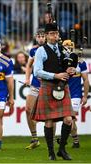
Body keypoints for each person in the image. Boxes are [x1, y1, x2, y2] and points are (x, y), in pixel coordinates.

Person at [33, 23, 75, 160]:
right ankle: (51, 152)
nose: (55, 36)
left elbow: (69, 65)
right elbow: (37, 71)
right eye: (52, 34)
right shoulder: (41, 51)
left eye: (56, 33)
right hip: (48, 85)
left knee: (68, 119)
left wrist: (72, 70)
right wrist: (55, 75)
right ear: (46, 36)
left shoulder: (63, 49)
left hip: (63, 86)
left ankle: (62, 149)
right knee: (49, 121)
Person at [63, 40, 89, 148]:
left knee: (70, 118)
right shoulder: (60, 61)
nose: (68, 49)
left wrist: (85, 96)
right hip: (62, 94)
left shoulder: (81, 62)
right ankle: (75, 140)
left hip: (75, 95)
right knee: (67, 119)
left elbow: (86, 80)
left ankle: (65, 140)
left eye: (70, 47)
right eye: (66, 47)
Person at [25, 28, 45, 149]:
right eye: (39, 36)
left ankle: (51, 141)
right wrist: (27, 78)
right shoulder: (33, 50)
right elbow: (28, 65)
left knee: (49, 115)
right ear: (36, 37)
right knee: (28, 109)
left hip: (48, 86)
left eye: (43, 36)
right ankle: (34, 138)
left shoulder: (51, 49)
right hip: (35, 85)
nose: (41, 38)